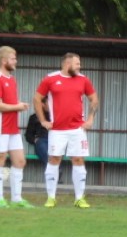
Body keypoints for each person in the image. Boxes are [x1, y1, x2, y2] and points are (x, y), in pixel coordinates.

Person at [33, 52, 99, 209]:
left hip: (77, 129)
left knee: (78, 160)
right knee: (54, 160)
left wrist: (90, 118)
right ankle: (51, 198)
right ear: (67, 64)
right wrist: (43, 121)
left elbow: (94, 99)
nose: (79, 67)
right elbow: (37, 98)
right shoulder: (50, 78)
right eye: (77, 64)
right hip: (57, 130)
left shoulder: (83, 80)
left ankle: (79, 198)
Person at [0, 46, 31, 208]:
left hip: (12, 127)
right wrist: (18, 107)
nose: (15, 61)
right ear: (4, 61)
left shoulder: (11, 79)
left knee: (20, 161)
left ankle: (16, 199)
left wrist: (17, 106)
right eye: (13, 58)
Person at [25, 100, 50, 164]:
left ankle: (54, 169)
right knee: (43, 147)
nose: (51, 105)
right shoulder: (34, 117)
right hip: (42, 140)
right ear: (42, 104)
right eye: (49, 103)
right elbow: (28, 135)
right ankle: (54, 169)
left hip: (54, 139)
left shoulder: (55, 117)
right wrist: (35, 140)